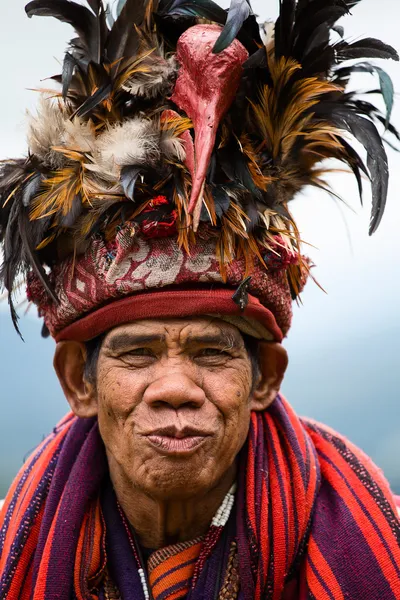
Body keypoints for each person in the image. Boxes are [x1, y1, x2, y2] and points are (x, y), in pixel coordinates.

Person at [0, 0, 399, 598]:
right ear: (78, 383)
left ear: (264, 376)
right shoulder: (18, 551)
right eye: (136, 354)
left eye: (212, 353)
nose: (175, 388)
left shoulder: (375, 548)